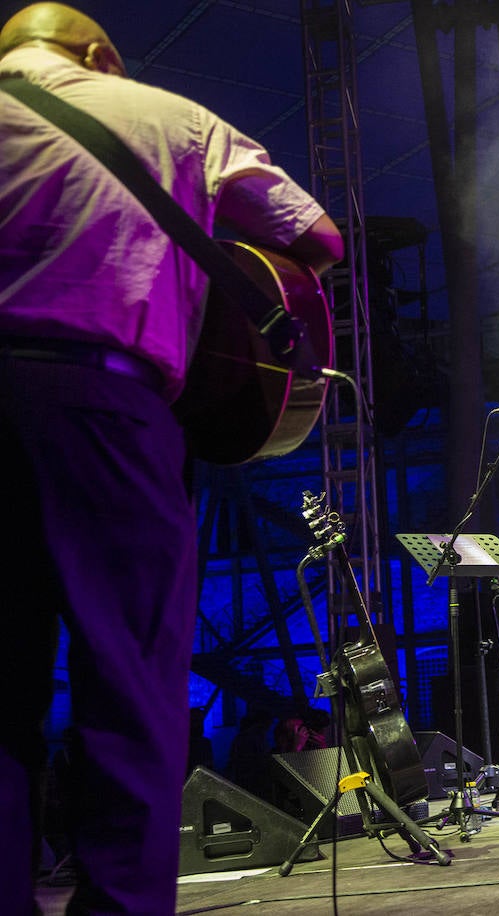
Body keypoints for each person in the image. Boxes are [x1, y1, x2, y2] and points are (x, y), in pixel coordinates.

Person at [0, 4, 343, 912]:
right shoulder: (172, 119)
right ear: (98, 55)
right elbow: (317, 239)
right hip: (110, 406)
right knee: (132, 675)